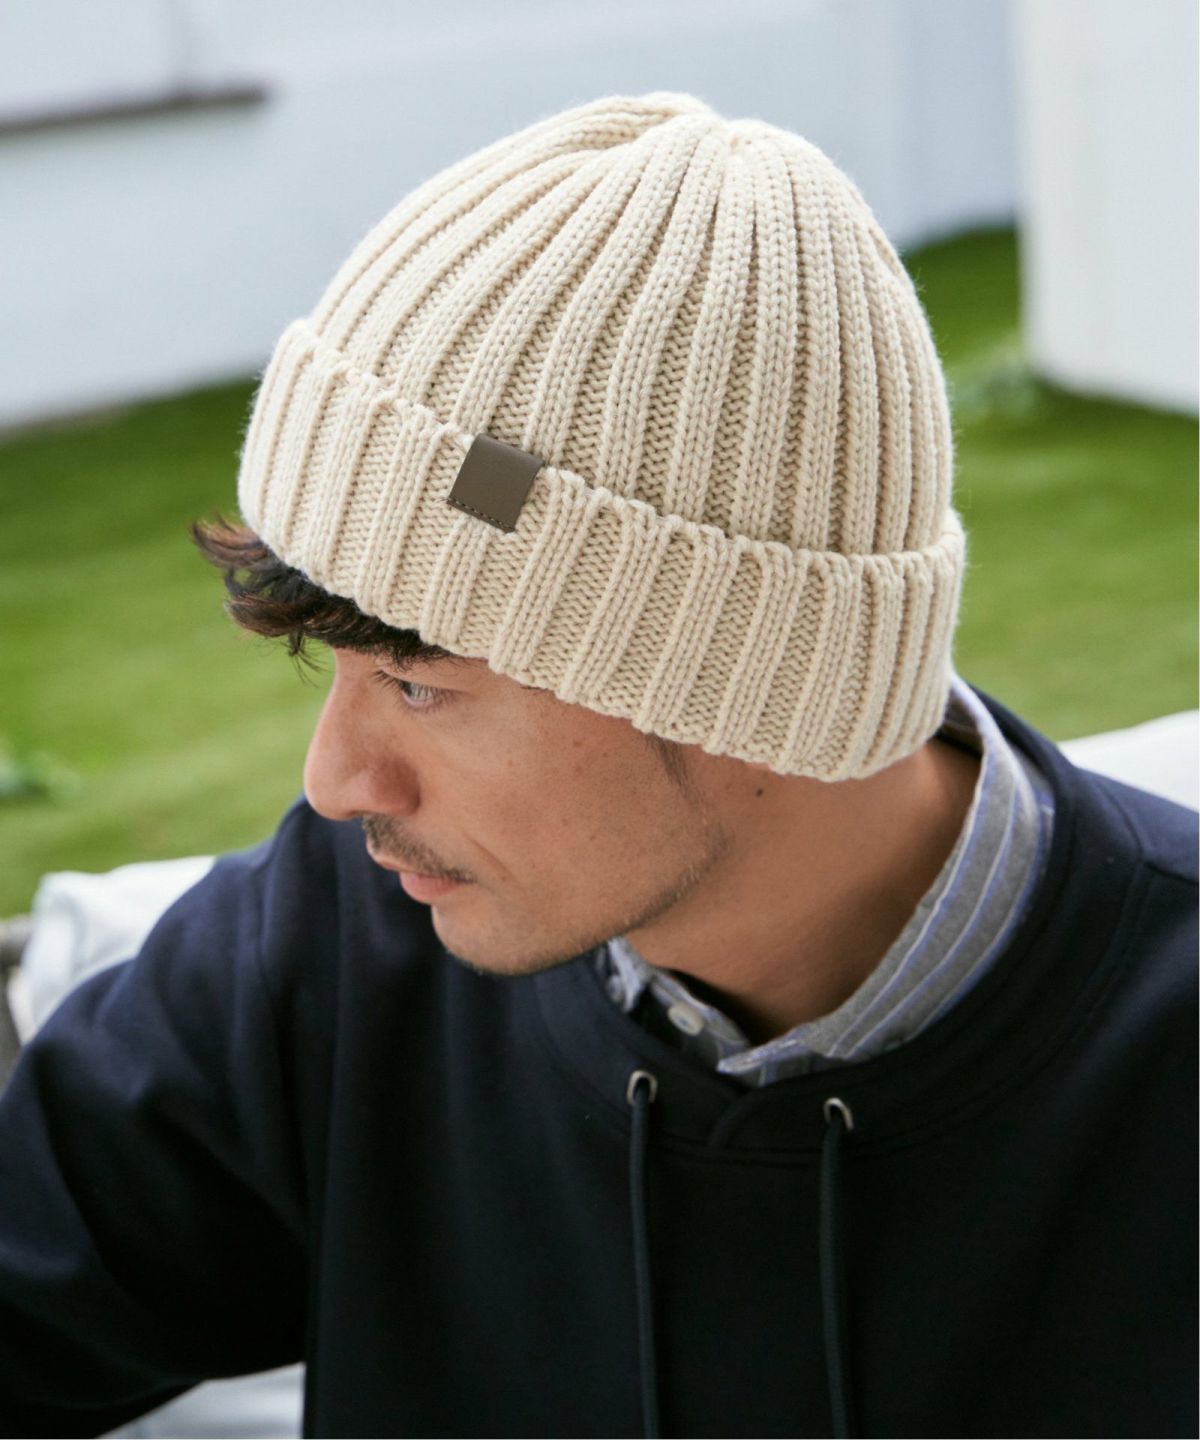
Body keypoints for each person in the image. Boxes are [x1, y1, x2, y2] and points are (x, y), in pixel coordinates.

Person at [0, 90, 1194, 1440]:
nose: (337, 784)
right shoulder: (329, 955)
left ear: (740, 678)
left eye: (418, 683)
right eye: (327, 667)